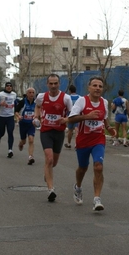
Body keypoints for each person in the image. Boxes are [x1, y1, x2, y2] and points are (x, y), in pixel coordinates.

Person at [68, 77, 117, 211]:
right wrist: (86, 116)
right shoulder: (82, 101)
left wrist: (109, 128)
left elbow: (104, 117)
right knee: (82, 168)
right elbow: (71, 118)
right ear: (89, 88)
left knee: (98, 166)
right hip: (83, 140)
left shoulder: (104, 102)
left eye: (100, 86)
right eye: (94, 85)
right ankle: (78, 187)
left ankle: (97, 199)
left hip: (98, 140)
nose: (97, 88)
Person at [33, 74, 73, 202]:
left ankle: (47, 172)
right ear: (47, 84)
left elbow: (71, 114)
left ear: (59, 84)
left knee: (54, 162)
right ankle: (51, 189)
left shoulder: (66, 98)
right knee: (49, 158)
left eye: (56, 83)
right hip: (46, 131)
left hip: (59, 132)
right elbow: (38, 106)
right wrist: (36, 117)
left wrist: (65, 120)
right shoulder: (41, 96)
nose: (53, 86)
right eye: (51, 83)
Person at [0, 82, 18, 158]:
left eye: (10, 86)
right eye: (7, 86)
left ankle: (10, 150)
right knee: (2, 132)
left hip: (10, 116)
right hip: (2, 116)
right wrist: (0, 103)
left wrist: (17, 112)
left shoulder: (14, 94)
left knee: (10, 132)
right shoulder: (0, 94)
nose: (9, 87)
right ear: (5, 87)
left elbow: (16, 103)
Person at [15, 87, 37, 165]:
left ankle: (30, 156)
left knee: (31, 140)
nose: (31, 94)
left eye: (32, 93)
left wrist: (38, 119)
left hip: (31, 124)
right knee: (24, 141)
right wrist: (19, 116)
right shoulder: (23, 102)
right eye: (30, 92)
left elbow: (39, 112)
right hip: (23, 124)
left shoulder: (36, 102)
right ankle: (20, 143)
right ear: (27, 94)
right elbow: (16, 111)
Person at [64, 85, 80, 149]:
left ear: (70, 90)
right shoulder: (79, 97)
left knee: (70, 130)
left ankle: (69, 143)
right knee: (77, 129)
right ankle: (77, 143)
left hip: (70, 115)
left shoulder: (68, 97)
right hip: (77, 115)